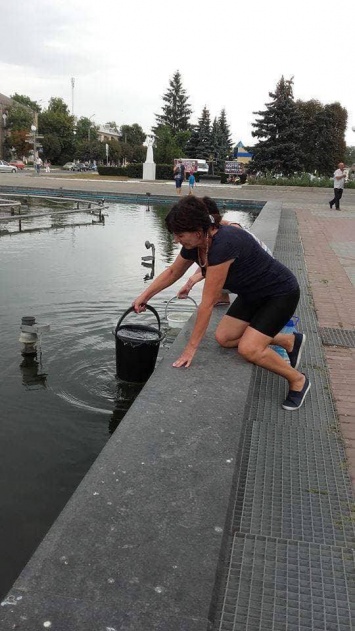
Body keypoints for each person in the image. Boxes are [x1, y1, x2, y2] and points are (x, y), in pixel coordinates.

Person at [133, 196, 310, 411]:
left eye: (180, 235)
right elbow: (173, 271)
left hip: (279, 293)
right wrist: (145, 296)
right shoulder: (197, 243)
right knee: (224, 338)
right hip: (252, 295)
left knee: (249, 349)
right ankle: (288, 341)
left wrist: (190, 349)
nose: (177, 240)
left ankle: (298, 380)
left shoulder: (224, 245)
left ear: (198, 231)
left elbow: (207, 304)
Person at [177, 197, 273, 306]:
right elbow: (208, 258)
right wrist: (190, 283)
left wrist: (201, 275)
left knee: (214, 277)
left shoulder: (230, 232)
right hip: (246, 268)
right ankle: (222, 297)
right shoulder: (211, 231)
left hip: (260, 271)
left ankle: (222, 296)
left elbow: (222, 259)